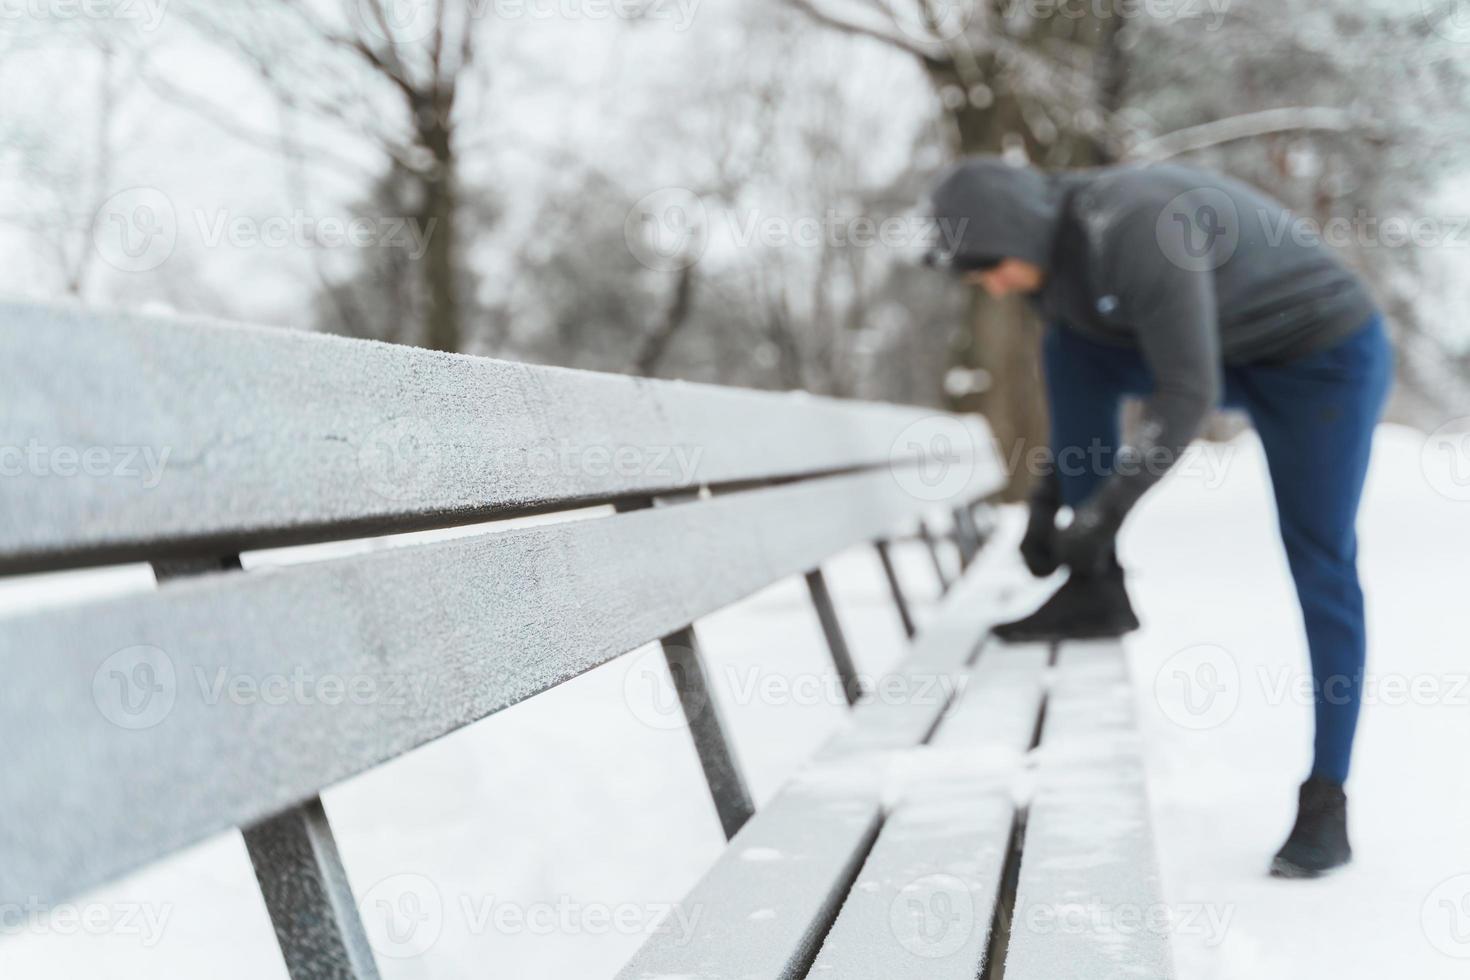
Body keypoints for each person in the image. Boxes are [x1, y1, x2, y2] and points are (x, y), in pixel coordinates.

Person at [925, 157, 1393, 878]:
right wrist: (1049, 505)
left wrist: (1105, 510)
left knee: (1320, 556)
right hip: (1228, 350)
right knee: (1070, 345)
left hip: (1320, 358)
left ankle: (1328, 796)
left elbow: (1185, 393)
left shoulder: (1142, 226)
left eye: (987, 265)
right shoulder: (1054, 267)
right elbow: (1090, 384)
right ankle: (1095, 591)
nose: (988, 284)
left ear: (1016, 227)